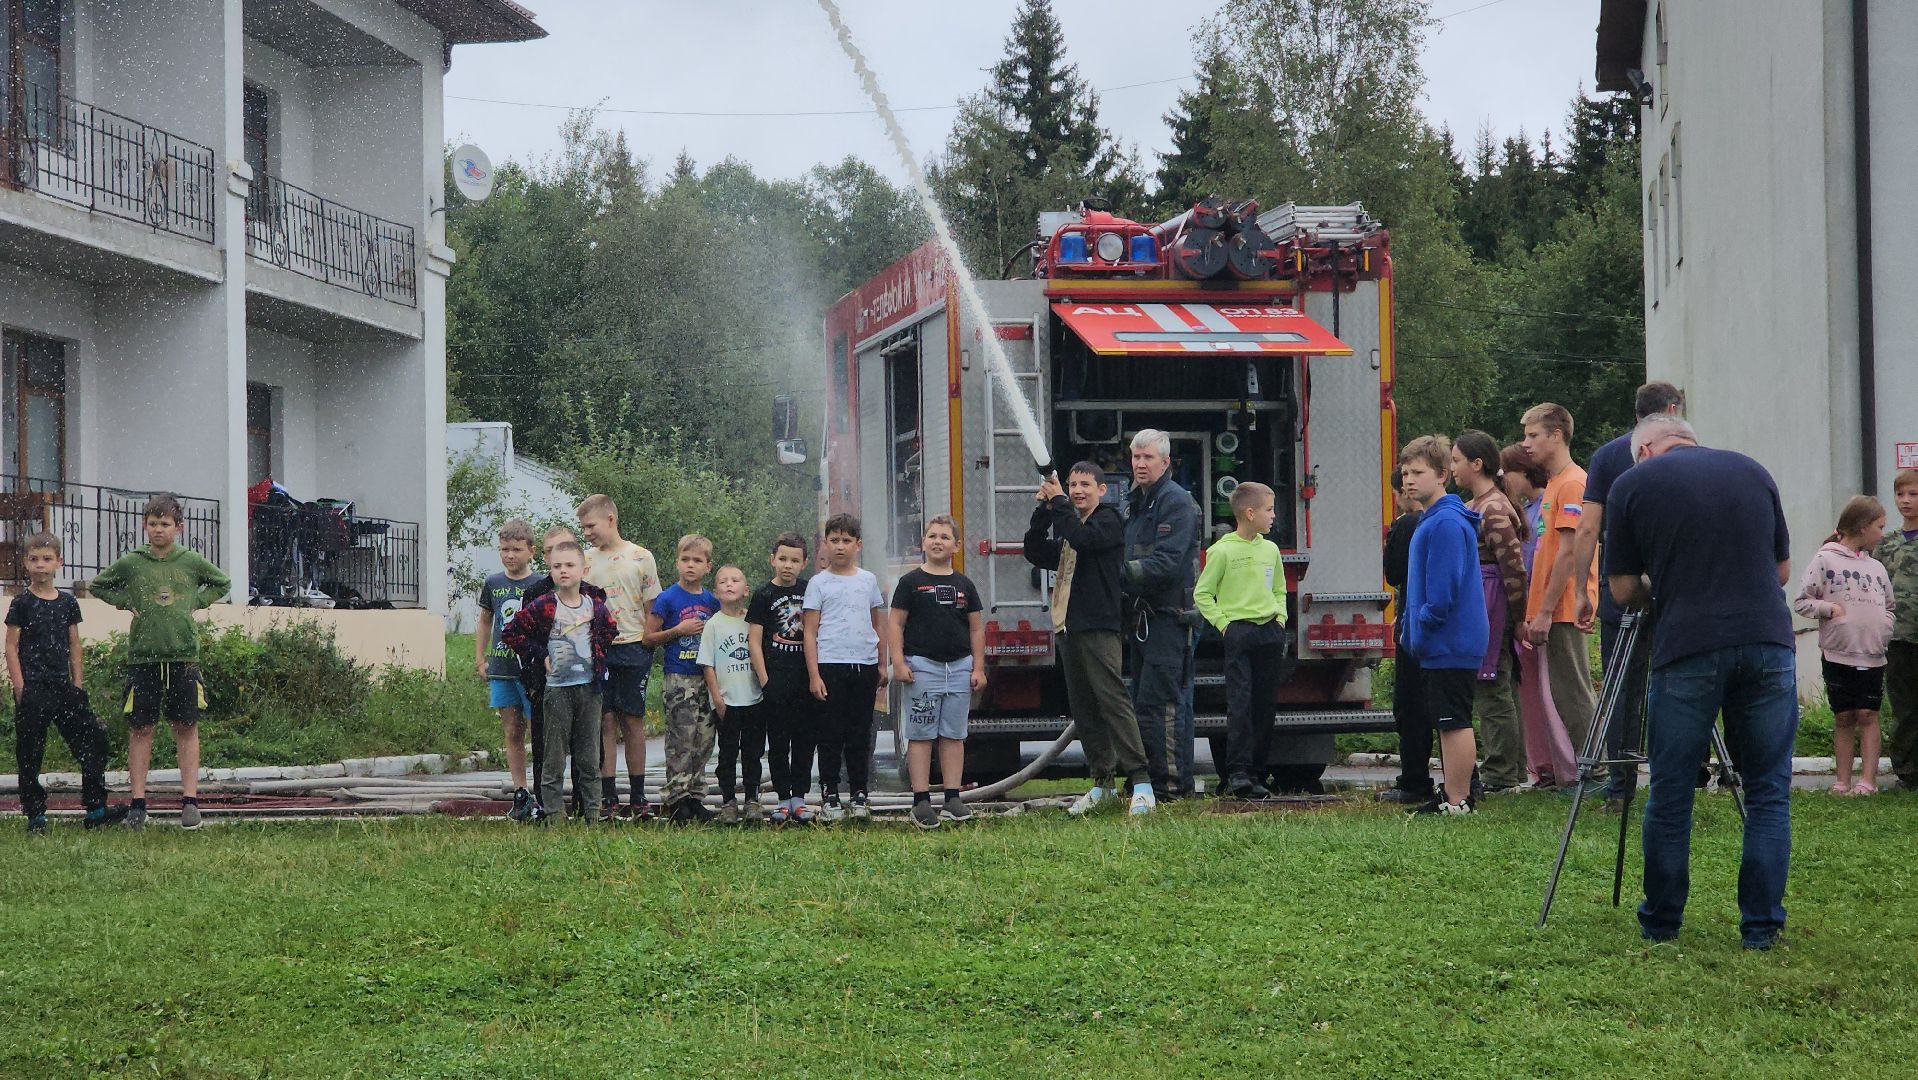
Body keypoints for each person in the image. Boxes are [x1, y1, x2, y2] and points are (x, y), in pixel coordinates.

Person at [1606, 414, 1798, 949]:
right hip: (1768, 642)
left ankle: (1662, 924)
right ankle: (1761, 928)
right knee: (1767, 793)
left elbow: (1622, 589)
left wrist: (1661, 586)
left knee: (1670, 792)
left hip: (1687, 647)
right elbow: (1781, 571)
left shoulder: (1632, 484)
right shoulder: (1752, 471)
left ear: (1643, 450)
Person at [1568, 382, 1685, 812]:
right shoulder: (1689, 453)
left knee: (1622, 688)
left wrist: (1582, 589)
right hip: (1676, 588)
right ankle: (1683, 774)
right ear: (1672, 411)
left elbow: (1587, 527)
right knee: (1678, 682)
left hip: (1622, 589)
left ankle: (1620, 787)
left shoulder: (1607, 456)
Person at [88, 493, 229, 830]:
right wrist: (126, 602)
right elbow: (99, 585)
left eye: (165, 524)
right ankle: (138, 803)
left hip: (183, 657)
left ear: (178, 527)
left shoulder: (191, 561)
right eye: (153, 523)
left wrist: (196, 600)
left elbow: (222, 583)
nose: (158, 530)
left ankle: (190, 802)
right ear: (144, 526)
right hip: (143, 658)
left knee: (186, 727)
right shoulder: (133, 562)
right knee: (141, 728)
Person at [1025, 462, 1156, 816]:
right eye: (1071, 484)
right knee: (1083, 707)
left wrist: (1061, 504)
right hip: (1068, 627)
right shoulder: (1070, 526)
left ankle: (1141, 782)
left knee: (1112, 700)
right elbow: (1035, 551)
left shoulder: (1109, 521)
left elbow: (1084, 541)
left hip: (1099, 627)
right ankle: (1102, 782)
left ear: (1101, 489)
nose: (1078, 490)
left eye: (1085, 484)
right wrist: (1043, 510)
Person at [8, 533, 125, 833]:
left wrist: (78, 683)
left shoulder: (68, 603)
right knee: (30, 752)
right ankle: (36, 815)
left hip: (64, 688)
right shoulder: (21, 603)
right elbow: (11, 646)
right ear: (25, 563)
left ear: (59, 562)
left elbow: (74, 644)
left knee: (93, 741)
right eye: (34, 559)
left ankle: (96, 809)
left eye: (47, 559)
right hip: (33, 688)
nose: (40, 565)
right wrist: (21, 688)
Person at [1399, 436, 1489, 816]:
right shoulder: (1434, 518)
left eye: (1418, 472)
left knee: (1454, 720)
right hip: (1441, 639)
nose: (1408, 481)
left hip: (1451, 637)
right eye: (1405, 473)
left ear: (1442, 475)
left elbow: (1443, 588)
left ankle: (1458, 800)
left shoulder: (1448, 522)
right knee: (1446, 718)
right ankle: (1453, 793)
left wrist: (1424, 620)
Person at [500, 540, 614, 825]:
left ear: (583, 569)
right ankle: (554, 818)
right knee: (553, 757)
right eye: (557, 566)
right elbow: (512, 632)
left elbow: (610, 629)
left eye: (570, 565)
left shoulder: (595, 605)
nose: (563, 571)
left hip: (589, 689)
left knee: (589, 756)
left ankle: (592, 815)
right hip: (557, 691)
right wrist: (541, 655)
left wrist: (596, 657)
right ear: (549, 570)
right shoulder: (544, 605)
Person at [1518, 403, 1599, 787]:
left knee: (1574, 695)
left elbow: (1569, 552)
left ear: (1556, 435)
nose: (1526, 443)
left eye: (1533, 435)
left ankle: (1596, 773)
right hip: (1553, 608)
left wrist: (1547, 611)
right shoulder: (1554, 483)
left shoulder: (1572, 482)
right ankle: (1586, 771)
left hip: (1564, 608)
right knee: (1563, 695)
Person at [1192, 481, 1290, 800]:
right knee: (1241, 703)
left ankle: (1259, 772)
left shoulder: (1270, 549)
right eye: (1269, 510)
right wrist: (1224, 624)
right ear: (1250, 513)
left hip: (1269, 632)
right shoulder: (1222, 550)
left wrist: (1280, 617)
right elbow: (1203, 593)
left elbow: (1279, 588)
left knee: (1264, 705)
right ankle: (1237, 772)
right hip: (1239, 632)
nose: (1273, 516)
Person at [889, 515, 986, 830]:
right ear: (922, 543)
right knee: (921, 735)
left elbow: (976, 629)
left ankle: (953, 797)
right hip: (922, 669)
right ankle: (920, 802)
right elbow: (895, 624)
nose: (938, 541)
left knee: (953, 735)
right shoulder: (911, 583)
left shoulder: (965, 585)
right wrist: (900, 662)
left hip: (958, 669)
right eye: (932, 536)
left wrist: (978, 667)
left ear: (956, 546)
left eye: (945, 537)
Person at [1794, 497, 1893, 795]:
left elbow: (1890, 605)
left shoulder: (1876, 567)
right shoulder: (1825, 560)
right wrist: (1828, 610)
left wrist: (1884, 626)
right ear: (1863, 528)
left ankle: (1868, 781)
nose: (1882, 534)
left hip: (1873, 653)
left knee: (1868, 714)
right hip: (1839, 651)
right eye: (1879, 527)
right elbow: (1802, 600)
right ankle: (1842, 780)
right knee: (1844, 715)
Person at [1120, 429, 1200, 798]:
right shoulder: (1138, 501)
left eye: (1148, 458)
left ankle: (1168, 786)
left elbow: (1167, 563)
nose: (1140, 464)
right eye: (1136, 457)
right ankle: (1149, 779)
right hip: (1143, 619)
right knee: (1143, 702)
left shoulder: (1176, 502)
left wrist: (1116, 574)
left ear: (1165, 462)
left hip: (1170, 618)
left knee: (1163, 703)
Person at [576, 493, 663, 820]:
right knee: (605, 721)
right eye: (583, 528)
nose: (587, 533)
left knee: (633, 720)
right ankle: (608, 796)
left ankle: (638, 796)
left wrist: (647, 642)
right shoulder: (583, 560)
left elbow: (651, 603)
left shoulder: (641, 557)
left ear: (610, 519)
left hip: (633, 647)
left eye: (591, 526)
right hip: (598, 648)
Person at [1451, 431, 1528, 794]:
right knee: (1497, 685)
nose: (1452, 468)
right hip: (1483, 600)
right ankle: (1511, 765)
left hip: (1494, 602)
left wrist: (1518, 617)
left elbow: (1513, 568)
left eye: (1455, 460)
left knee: (1493, 686)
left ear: (1476, 464)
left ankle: (1501, 772)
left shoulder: (1494, 508)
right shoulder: (1476, 503)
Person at [804, 514, 889, 822]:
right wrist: (814, 675)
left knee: (859, 732)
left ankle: (859, 793)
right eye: (835, 540)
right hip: (830, 664)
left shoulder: (867, 580)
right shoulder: (818, 583)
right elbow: (810, 632)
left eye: (847, 541)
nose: (840, 547)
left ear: (858, 544)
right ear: (826, 543)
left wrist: (881, 663)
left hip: (863, 666)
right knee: (830, 732)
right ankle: (830, 794)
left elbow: (877, 624)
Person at [1501, 443, 1577, 787]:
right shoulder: (1526, 508)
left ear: (1523, 472)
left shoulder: (1548, 502)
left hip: (1547, 609)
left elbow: (1546, 559)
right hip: (1530, 610)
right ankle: (1542, 764)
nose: (1505, 482)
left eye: (1508, 474)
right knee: (1530, 691)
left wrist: (1541, 608)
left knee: (1555, 690)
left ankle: (1569, 767)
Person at [645, 534, 720, 824]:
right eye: (685, 559)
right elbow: (648, 638)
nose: (690, 565)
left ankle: (696, 797)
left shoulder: (710, 601)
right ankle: (676, 799)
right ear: (677, 563)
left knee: (704, 738)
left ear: (707, 567)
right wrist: (678, 630)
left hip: (705, 677)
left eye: (697, 561)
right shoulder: (668, 598)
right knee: (681, 739)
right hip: (678, 677)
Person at [475, 519, 539, 821]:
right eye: (504, 550)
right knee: (512, 731)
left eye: (515, 549)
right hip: (501, 667)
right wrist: (480, 658)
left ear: (531, 550)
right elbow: (486, 620)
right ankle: (520, 791)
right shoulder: (494, 583)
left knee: (537, 729)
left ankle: (542, 790)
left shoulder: (540, 584)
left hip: (530, 670)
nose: (509, 555)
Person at [749, 532, 814, 823]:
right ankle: (782, 798)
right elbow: (754, 640)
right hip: (775, 679)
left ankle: (800, 797)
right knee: (777, 742)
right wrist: (764, 680)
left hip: (805, 678)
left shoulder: (811, 590)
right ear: (772, 559)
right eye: (783, 559)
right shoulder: (763, 595)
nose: (788, 565)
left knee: (804, 739)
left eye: (795, 560)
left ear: (804, 563)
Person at [1378, 467, 1432, 804]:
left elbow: (1394, 572)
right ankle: (1467, 777)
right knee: (1448, 706)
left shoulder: (1408, 524)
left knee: (1410, 705)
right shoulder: (1452, 517)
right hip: (1442, 626)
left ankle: (1414, 778)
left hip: (1414, 621)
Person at [701, 565, 765, 823]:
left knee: (753, 753)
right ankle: (728, 801)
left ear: (746, 589)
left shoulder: (753, 623)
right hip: (727, 702)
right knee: (727, 754)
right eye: (723, 581)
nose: (729, 584)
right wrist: (717, 698)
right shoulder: (713, 625)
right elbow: (708, 664)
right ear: (716, 592)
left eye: (735, 580)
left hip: (753, 699)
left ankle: (752, 799)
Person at [1876, 469, 1918, 791]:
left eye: (1913, 494)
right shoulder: (1886, 544)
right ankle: (1907, 770)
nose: (1906, 501)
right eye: (1901, 494)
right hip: (1898, 638)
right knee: (1904, 707)